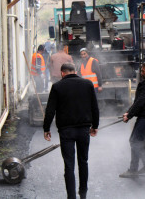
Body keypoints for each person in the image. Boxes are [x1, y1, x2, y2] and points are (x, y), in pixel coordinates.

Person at [43, 63, 99, 199]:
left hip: (66, 131)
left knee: (69, 165)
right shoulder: (87, 84)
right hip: (84, 129)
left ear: (62, 73)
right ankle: (83, 193)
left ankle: (71, 196)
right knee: (83, 162)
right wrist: (95, 126)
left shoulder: (57, 87)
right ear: (75, 71)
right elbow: (95, 107)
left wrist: (46, 128)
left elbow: (50, 110)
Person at [119, 61, 145, 178]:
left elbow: (140, 102)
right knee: (134, 141)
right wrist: (128, 112)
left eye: (143, 71)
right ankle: (133, 169)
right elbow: (138, 102)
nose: (141, 73)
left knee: (134, 142)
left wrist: (129, 115)